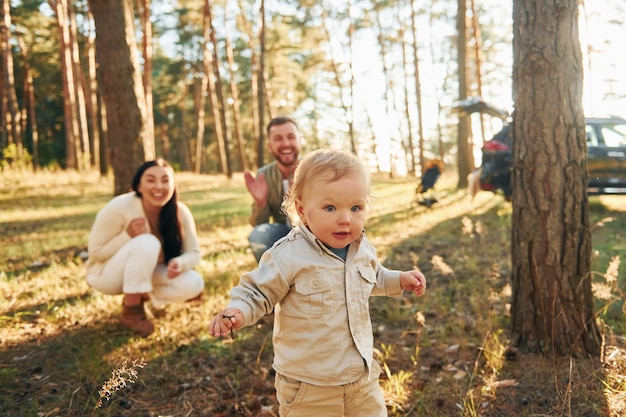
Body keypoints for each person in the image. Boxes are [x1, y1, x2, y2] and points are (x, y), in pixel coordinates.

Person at [210, 149, 427, 417]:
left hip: (361, 379)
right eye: (330, 208)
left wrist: (400, 279)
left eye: (355, 207)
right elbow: (257, 292)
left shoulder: (361, 247)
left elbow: (375, 277)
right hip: (310, 388)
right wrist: (239, 310)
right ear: (302, 210)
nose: (345, 218)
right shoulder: (288, 255)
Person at [85, 159, 204, 337]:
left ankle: (143, 295)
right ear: (138, 186)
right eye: (150, 180)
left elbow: (194, 253)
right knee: (147, 242)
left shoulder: (180, 212)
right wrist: (127, 236)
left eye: (165, 180)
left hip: (147, 271)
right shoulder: (119, 207)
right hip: (106, 275)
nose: (159, 186)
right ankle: (131, 309)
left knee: (194, 283)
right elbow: (95, 253)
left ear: (173, 185)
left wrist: (180, 263)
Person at [245, 116, 302, 262]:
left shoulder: (315, 169)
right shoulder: (264, 175)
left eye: (291, 137)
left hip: (315, 234)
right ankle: (273, 280)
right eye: (278, 138)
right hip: (283, 234)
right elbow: (258, 224)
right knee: (258, 235)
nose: (286, 144)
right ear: (269, 146)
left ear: (299, 141)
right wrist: (261, 203)